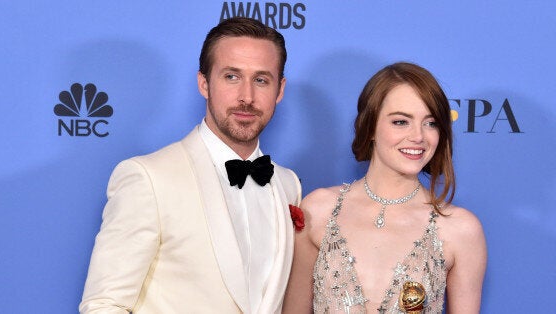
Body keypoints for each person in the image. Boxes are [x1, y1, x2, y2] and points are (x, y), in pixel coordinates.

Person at [79, 17, 302, 314]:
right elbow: (104, 305)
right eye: (231, 77)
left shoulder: (288, 185)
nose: (247, 97)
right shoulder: (148, 178)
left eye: (261, 80)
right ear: (204, 83)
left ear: (280, 89)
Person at [283, 62, 486, 313]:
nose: (418, 136)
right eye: (401, 122)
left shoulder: (461, 229)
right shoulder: (318, 210)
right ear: (370, 128)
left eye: (431, 123)